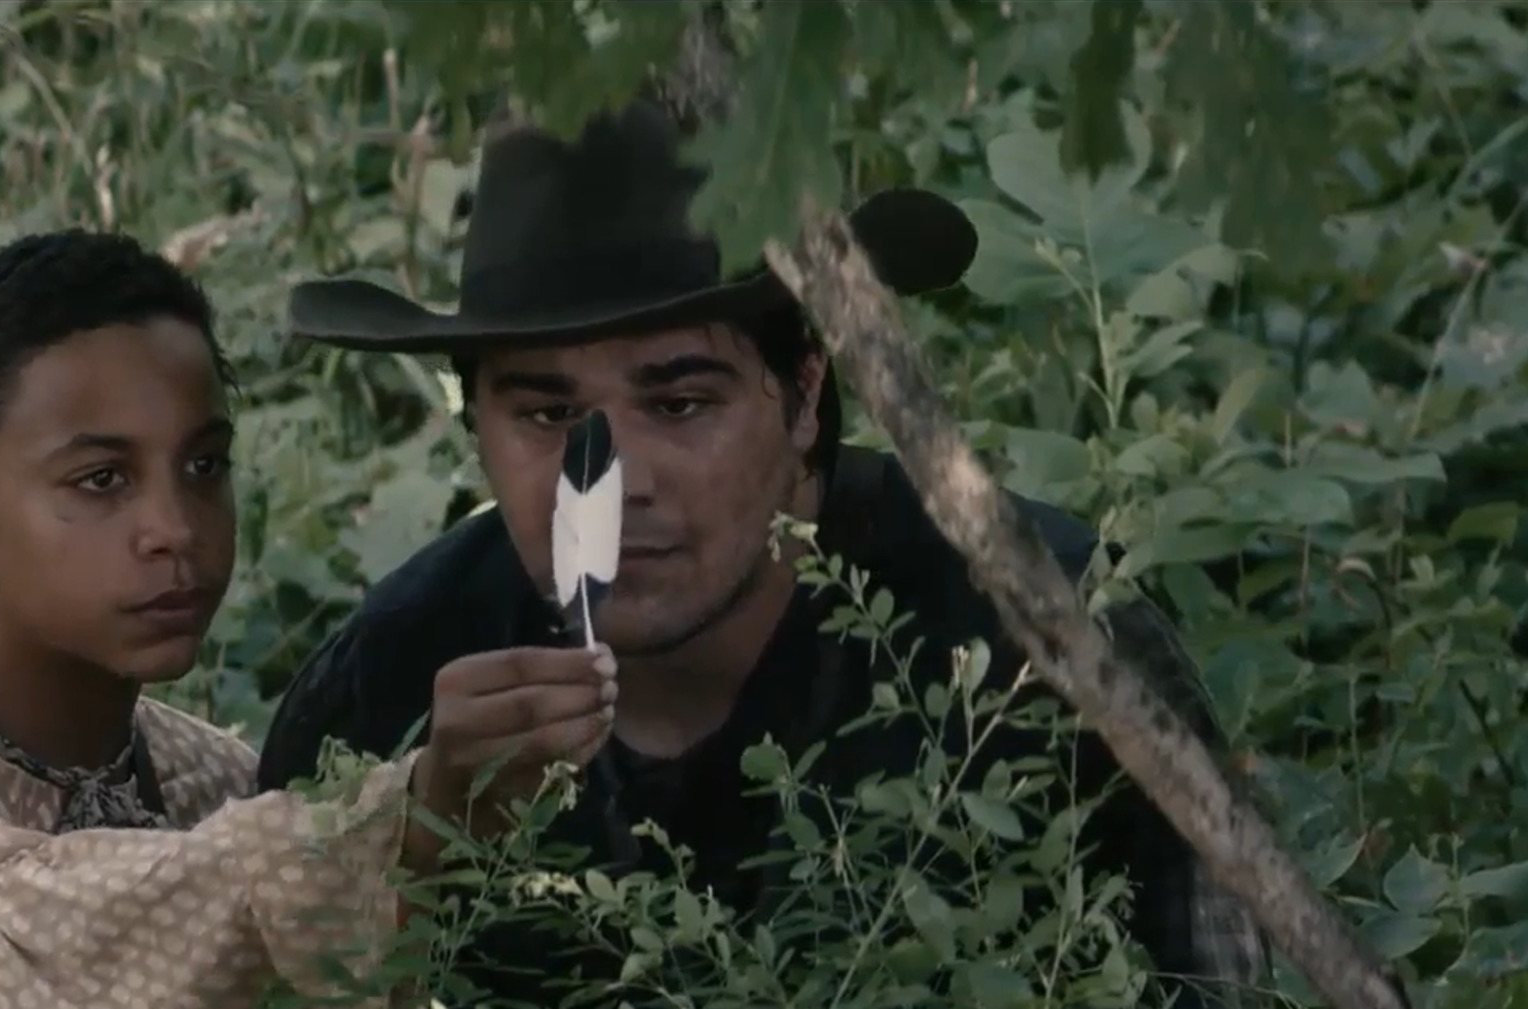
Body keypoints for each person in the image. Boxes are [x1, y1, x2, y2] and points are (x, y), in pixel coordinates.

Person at [258, 100, 1270, 1006]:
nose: (615, 479)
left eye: (681, 401)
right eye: (546, 411)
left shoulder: (1034, 631)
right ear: (472, 417)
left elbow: (1217, 976)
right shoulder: (393, 684)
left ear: (802, 395)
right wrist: (419, 840)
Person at [0, 230, 612, 1009]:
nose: (175, 530)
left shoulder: (198, 773)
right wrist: (409, 819)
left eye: (204, 465)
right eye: (101, 479)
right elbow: (49, 945)